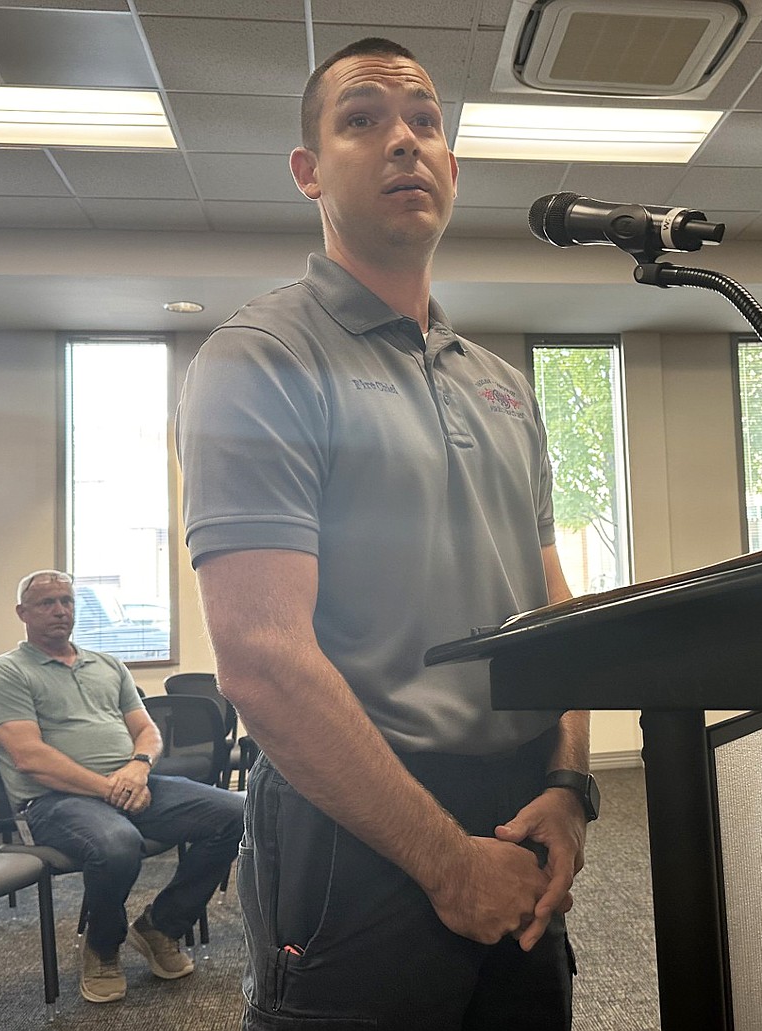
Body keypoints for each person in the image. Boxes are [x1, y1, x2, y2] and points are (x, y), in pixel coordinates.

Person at [176, 37, 597, 1030]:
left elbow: (557, 615)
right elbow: (262, 658)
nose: (401, 140)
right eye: (361, 120)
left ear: (450, 166)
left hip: (519, 808)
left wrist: (570, 782)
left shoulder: (499, 383)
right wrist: (446, 861)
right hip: (351, 821)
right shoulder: (261, 359)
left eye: (423, 122)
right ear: (308, 170)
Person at [0, 569, 245, 1006]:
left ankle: (161, 926)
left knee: (235, 813)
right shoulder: (5, 673)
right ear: (22, 613)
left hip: (133, 784)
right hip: (54, 801)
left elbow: (148, 731)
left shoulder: (107, 665)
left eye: (66, 601)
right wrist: (108, 788)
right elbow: (30, 757)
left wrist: (138, 768)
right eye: (47, 603)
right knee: (119, 843)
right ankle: (102, 947)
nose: (60, 610)